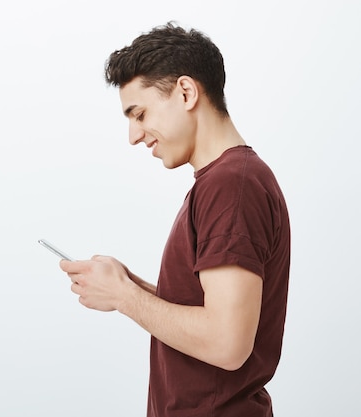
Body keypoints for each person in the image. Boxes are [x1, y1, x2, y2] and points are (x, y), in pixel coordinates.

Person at [59, 22, 290, 417]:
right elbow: (209, 314)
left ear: (185, 92)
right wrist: (132, 286)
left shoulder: (232, 186)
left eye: (140, 113)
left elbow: (227, 343)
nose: (134, 135)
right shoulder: (225, 182)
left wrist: (124, 297)